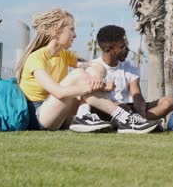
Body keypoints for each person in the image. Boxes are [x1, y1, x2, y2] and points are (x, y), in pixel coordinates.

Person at [16, 8, 157, 133]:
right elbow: (59, 92)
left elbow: (96, 66)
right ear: (56, 30)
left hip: (59, 113)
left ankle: (84, 115)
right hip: (39, 116)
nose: (75, 35)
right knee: (78, 75)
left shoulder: (64, 55)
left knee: (92, 70)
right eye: (71, 29)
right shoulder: (36, 58)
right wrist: (96, 86)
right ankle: (124, 119)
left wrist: (98, 78)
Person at [71, 25, 173, 132]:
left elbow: (137, 95)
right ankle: (129, 122)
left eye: (127, 45)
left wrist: (141, 115)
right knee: (120, 107)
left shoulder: (130, 68)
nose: (128, 49)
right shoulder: (93, 67)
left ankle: (136, 122)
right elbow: (90, 97)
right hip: (107, 109)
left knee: (169, 101)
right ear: (108, 50)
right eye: (122, 47)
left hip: (128, 107)